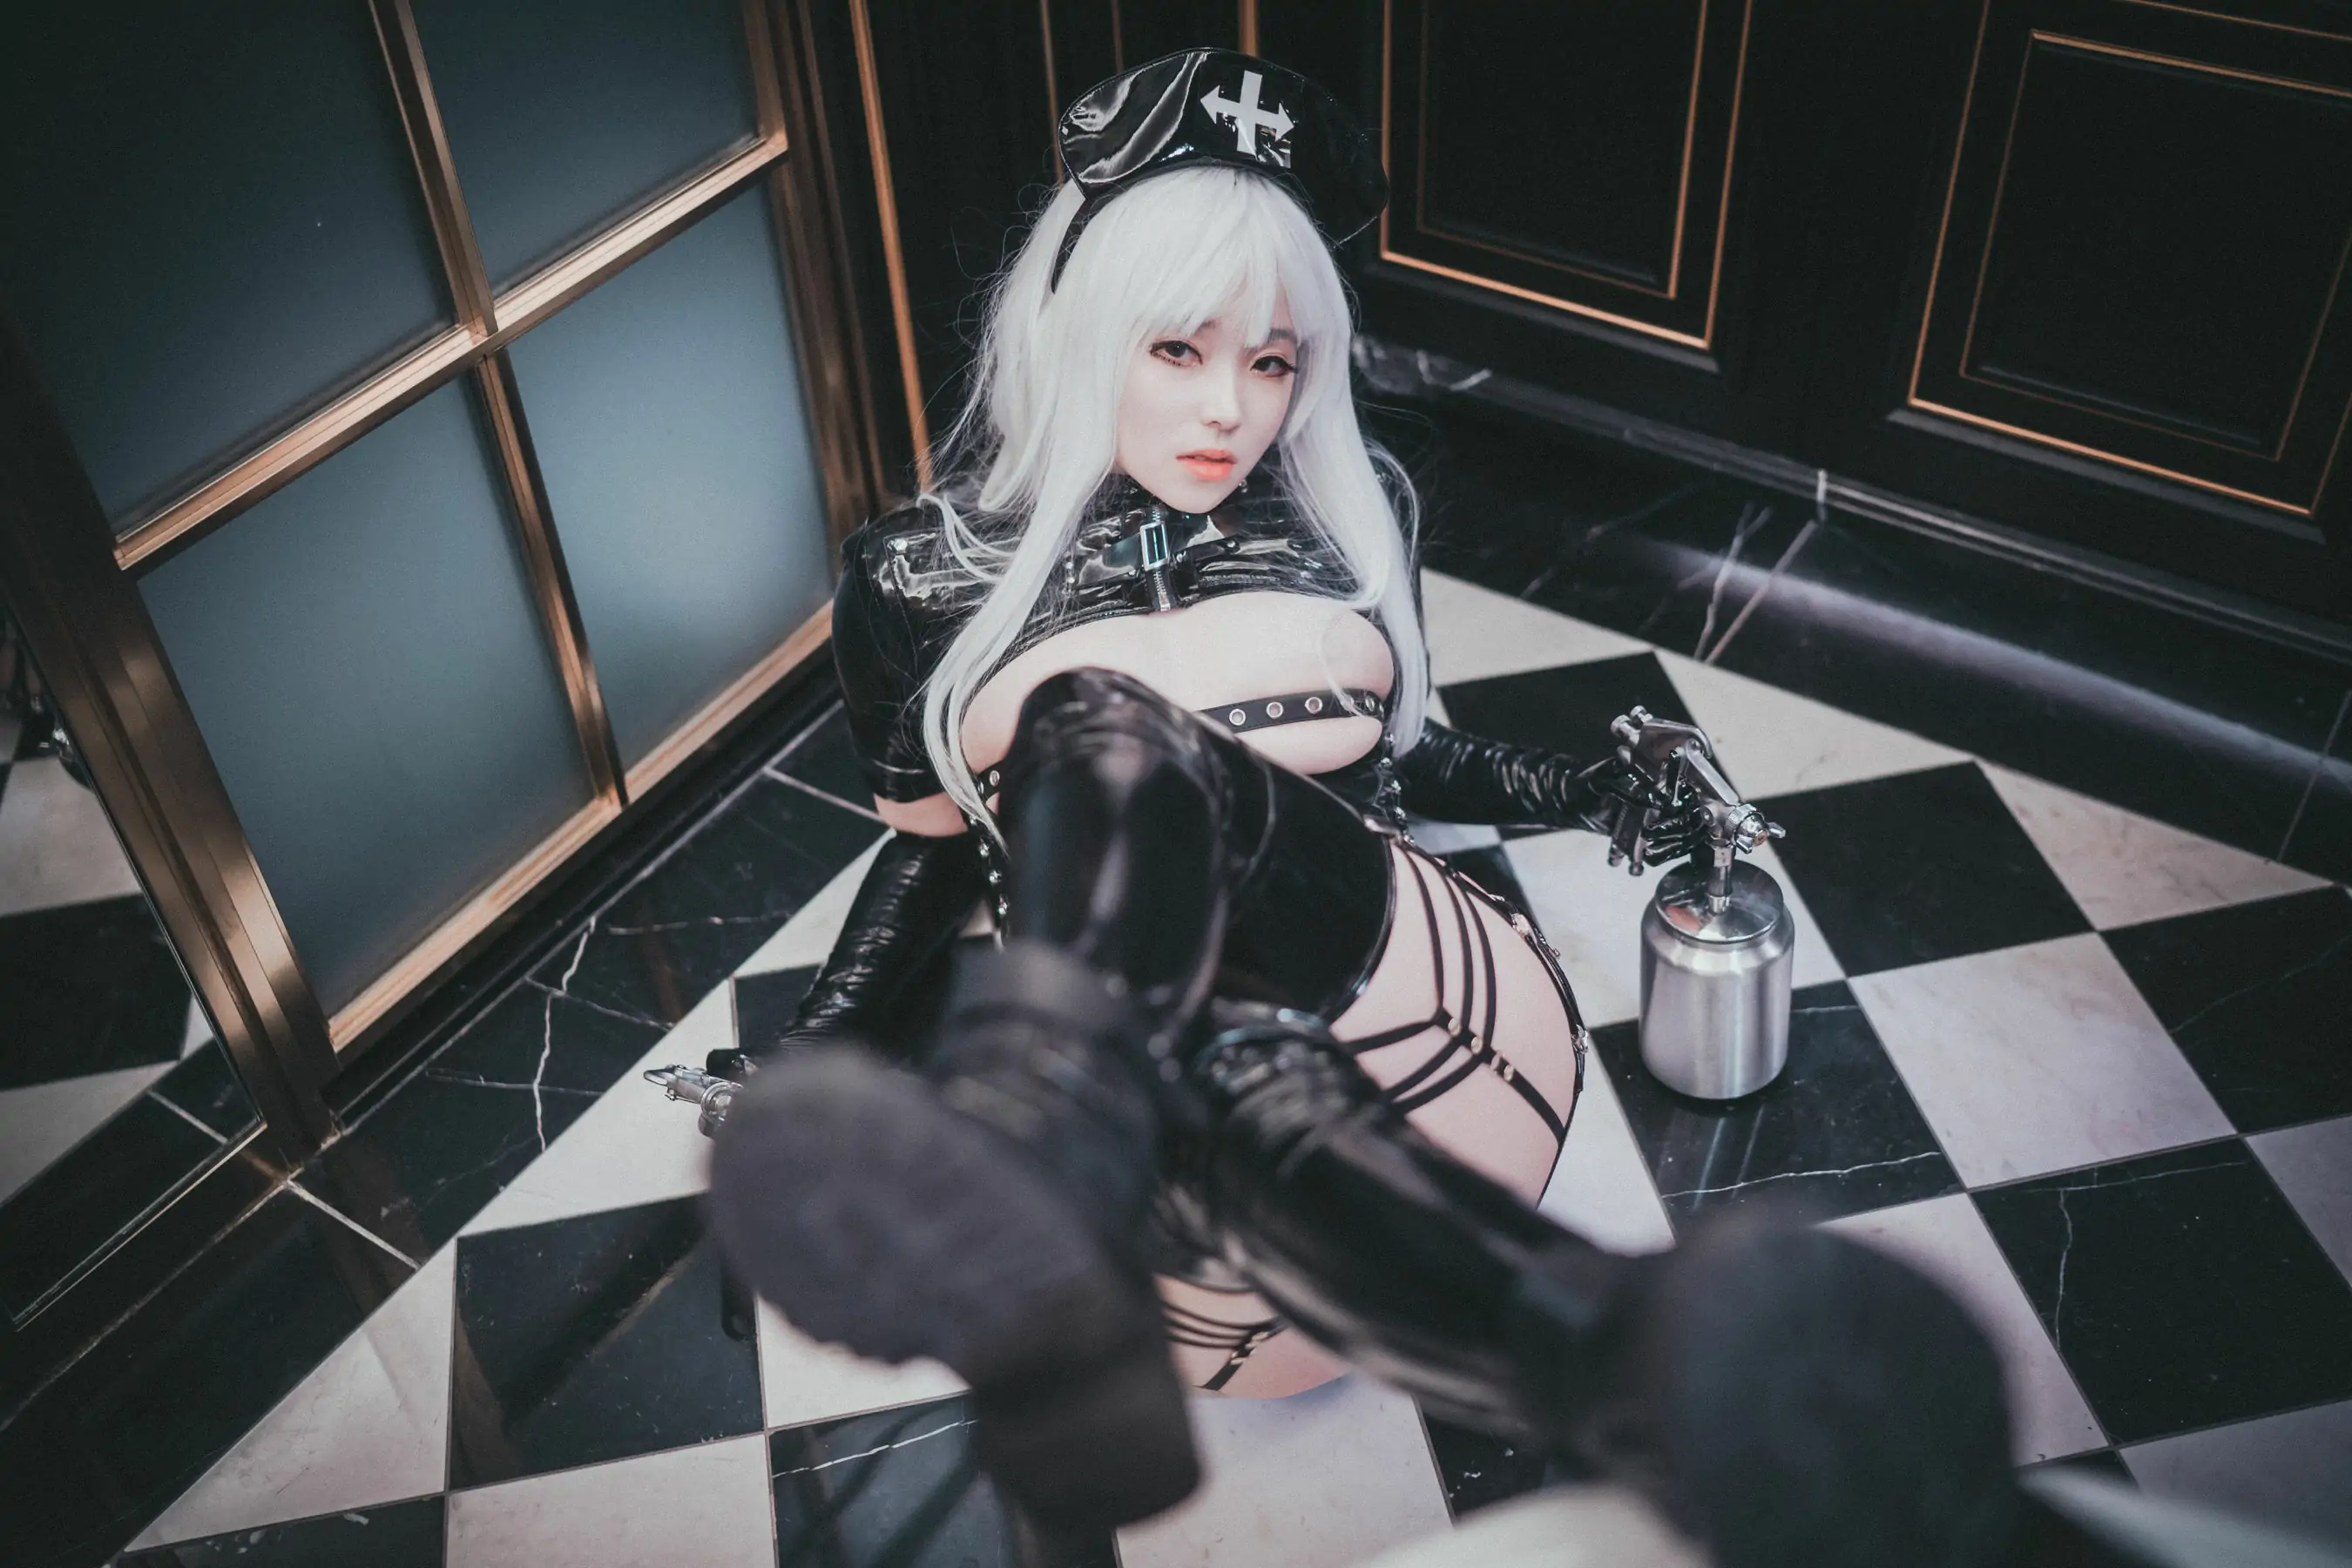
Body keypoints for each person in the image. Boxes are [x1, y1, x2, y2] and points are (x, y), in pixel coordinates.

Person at [680, 51, 2018, 1566]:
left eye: (1273, 363)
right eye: (1179, 349)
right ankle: (1600, 1347)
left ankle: (1048, 1122)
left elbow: (1404, 762)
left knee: (1098, 730)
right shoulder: (919, 577)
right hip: (1222, 1259)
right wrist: (808, 1062)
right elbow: (925, 861)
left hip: (1437, 1036)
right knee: (1206, 1034)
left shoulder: (1341, 510)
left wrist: (1583, 790)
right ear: (1079, 328)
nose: (1232, 410)